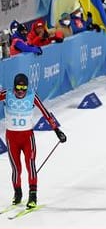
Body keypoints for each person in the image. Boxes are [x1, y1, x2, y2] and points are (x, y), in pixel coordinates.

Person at [0, 73, 67, 209]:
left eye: (24, 88)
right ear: (14, 86)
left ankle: (32, 196)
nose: (21, 91)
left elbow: (46, 113)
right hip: (11, 137)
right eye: (18, 87)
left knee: (30, 165)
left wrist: (57, 131)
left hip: (27, 137)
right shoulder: (6, 94)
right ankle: (18, 193)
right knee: (16, 169)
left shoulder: (32, 96)